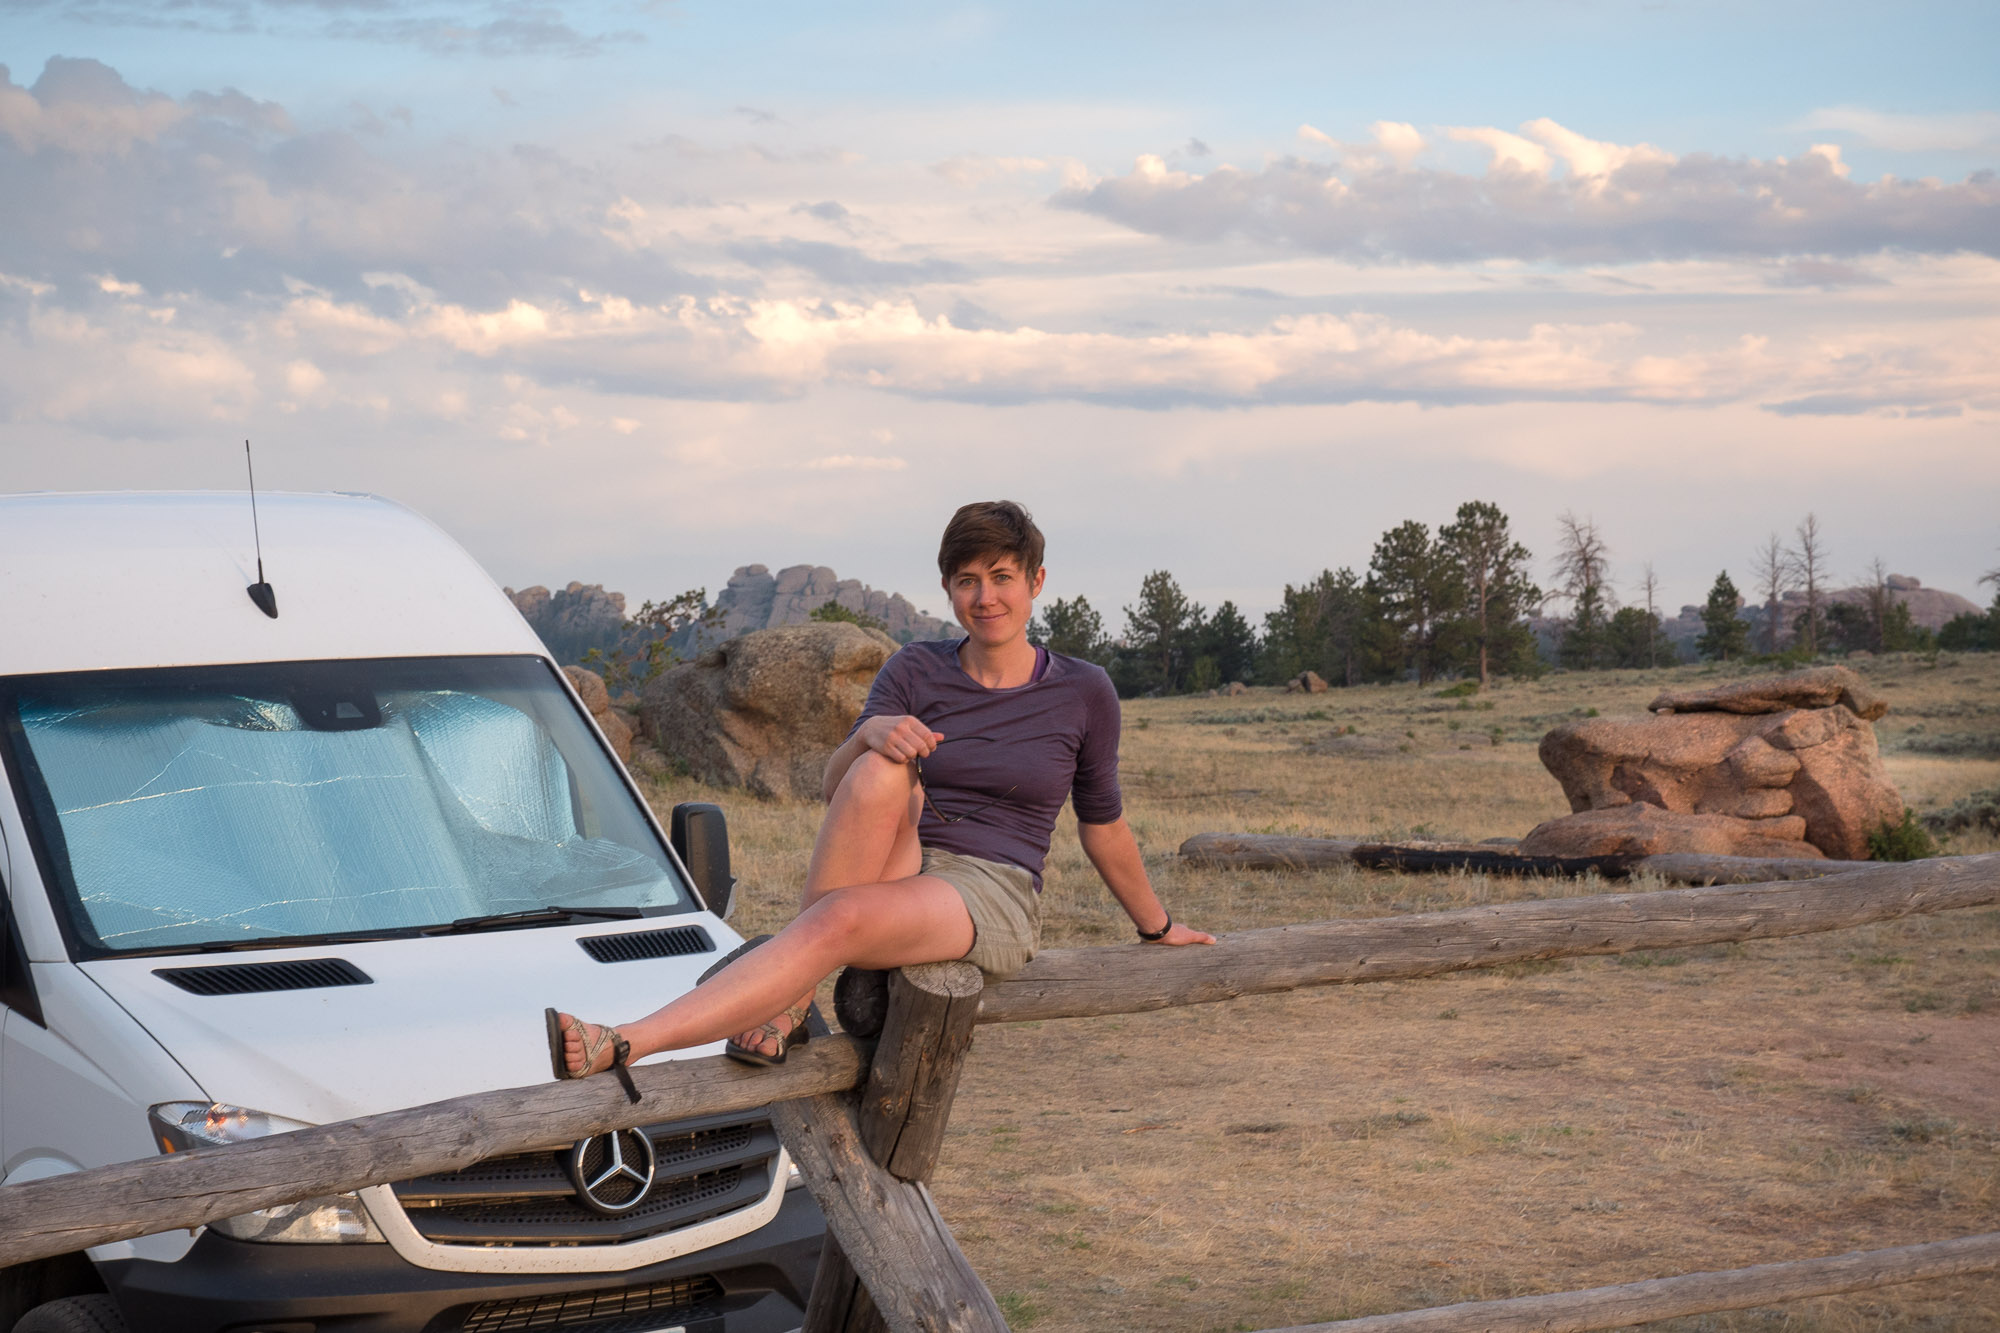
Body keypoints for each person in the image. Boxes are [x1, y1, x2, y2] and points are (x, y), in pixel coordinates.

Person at [547, 500, 1212, 1085]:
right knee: (878, 768)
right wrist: (870, 734)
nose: (985, 597)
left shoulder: (1083, 690)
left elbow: (1103, 824)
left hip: (991, 886)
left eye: (1002, 577)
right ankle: (787, 996)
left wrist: (1156, 925)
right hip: (904, 855)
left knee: (835, 918)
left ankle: (631, 1040)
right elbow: (836, 789)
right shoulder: (915, 667)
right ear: (948, 588)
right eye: (968, 580)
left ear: (1035, 582)